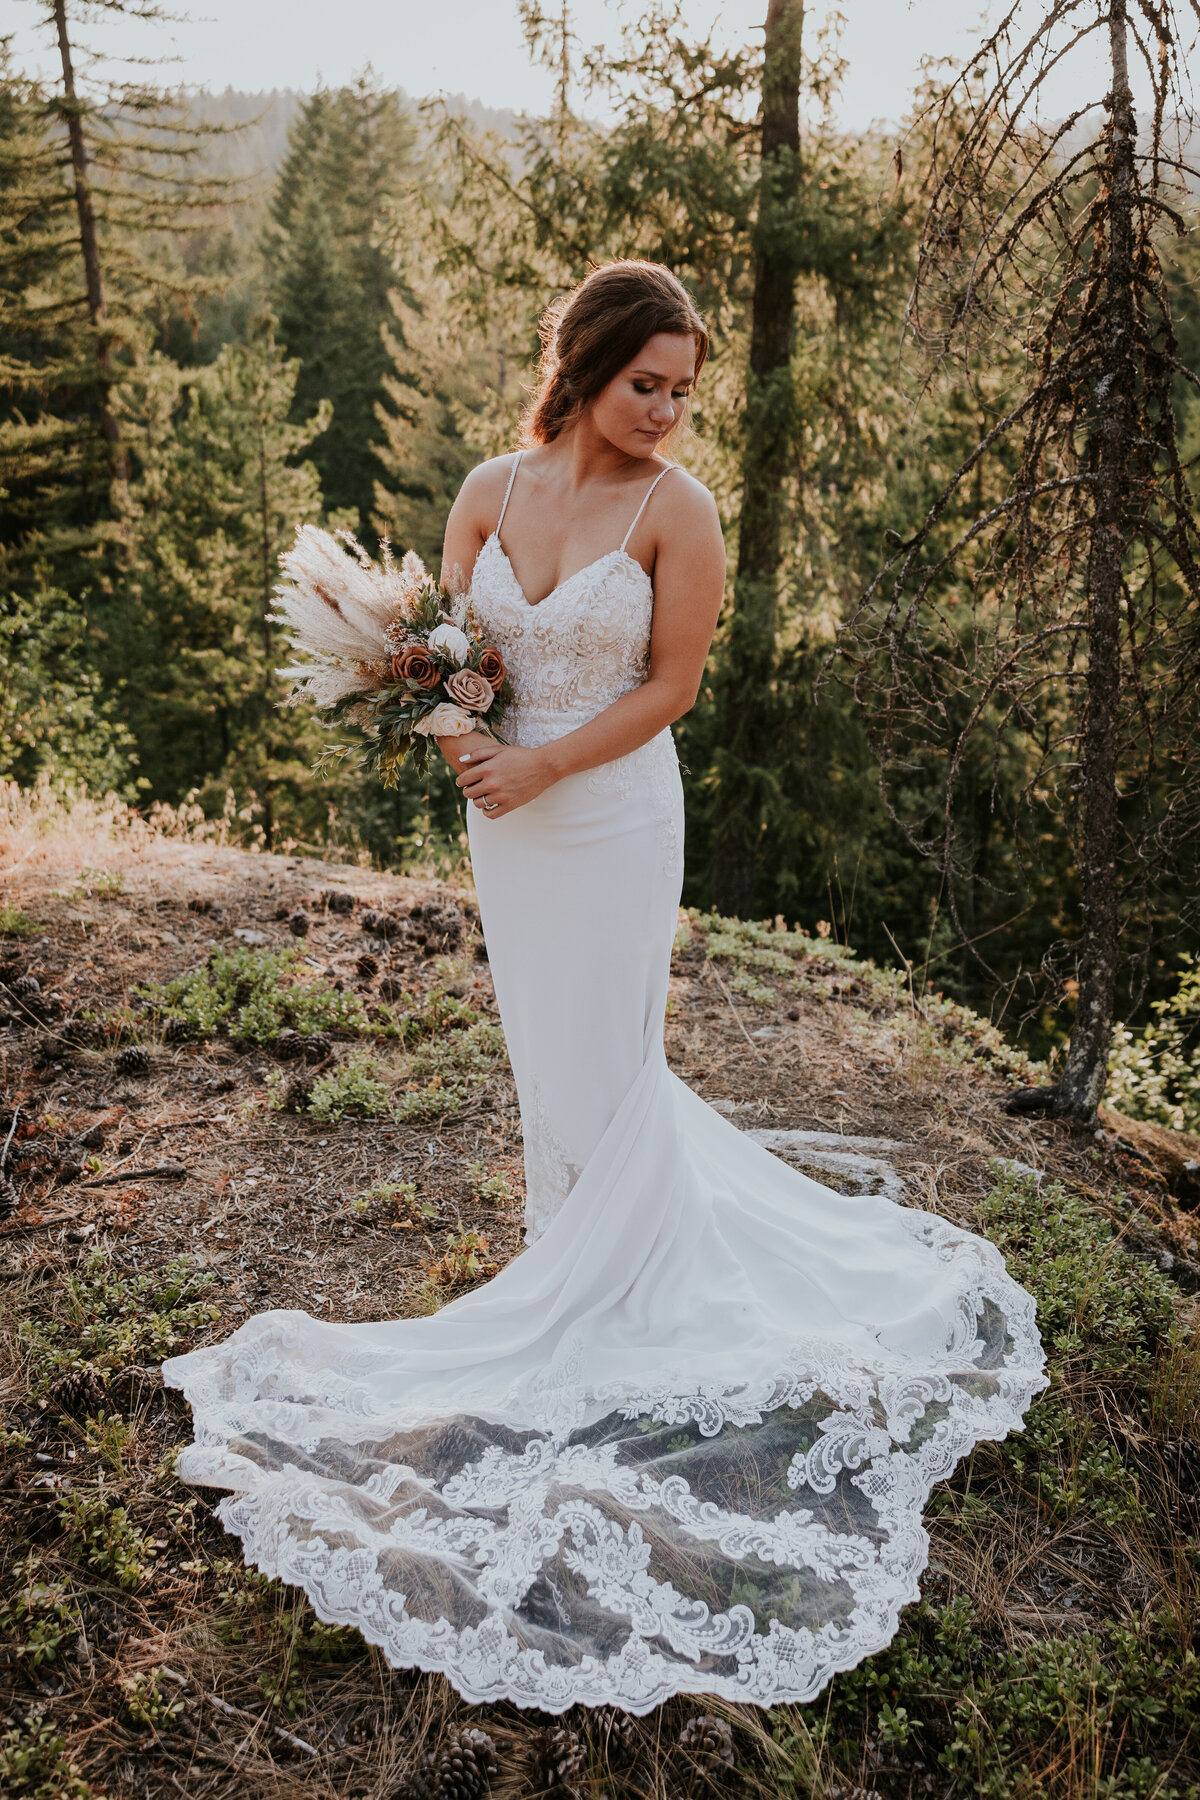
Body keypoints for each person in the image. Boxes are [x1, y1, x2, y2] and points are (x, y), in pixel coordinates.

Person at [164, 261, 1047, 1718]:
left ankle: (615, 1283)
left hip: (611, 804)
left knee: (610, 1054)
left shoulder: (675, 511)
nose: (670, 413)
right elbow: (447, 656)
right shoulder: (491, 488)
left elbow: (673, 686)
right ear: (585, 365)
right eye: (650, 385)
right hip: (503, 812)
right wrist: (470, 754)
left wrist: (541, 763)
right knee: (540, 1048)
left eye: (688, 392)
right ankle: (560, 1246)